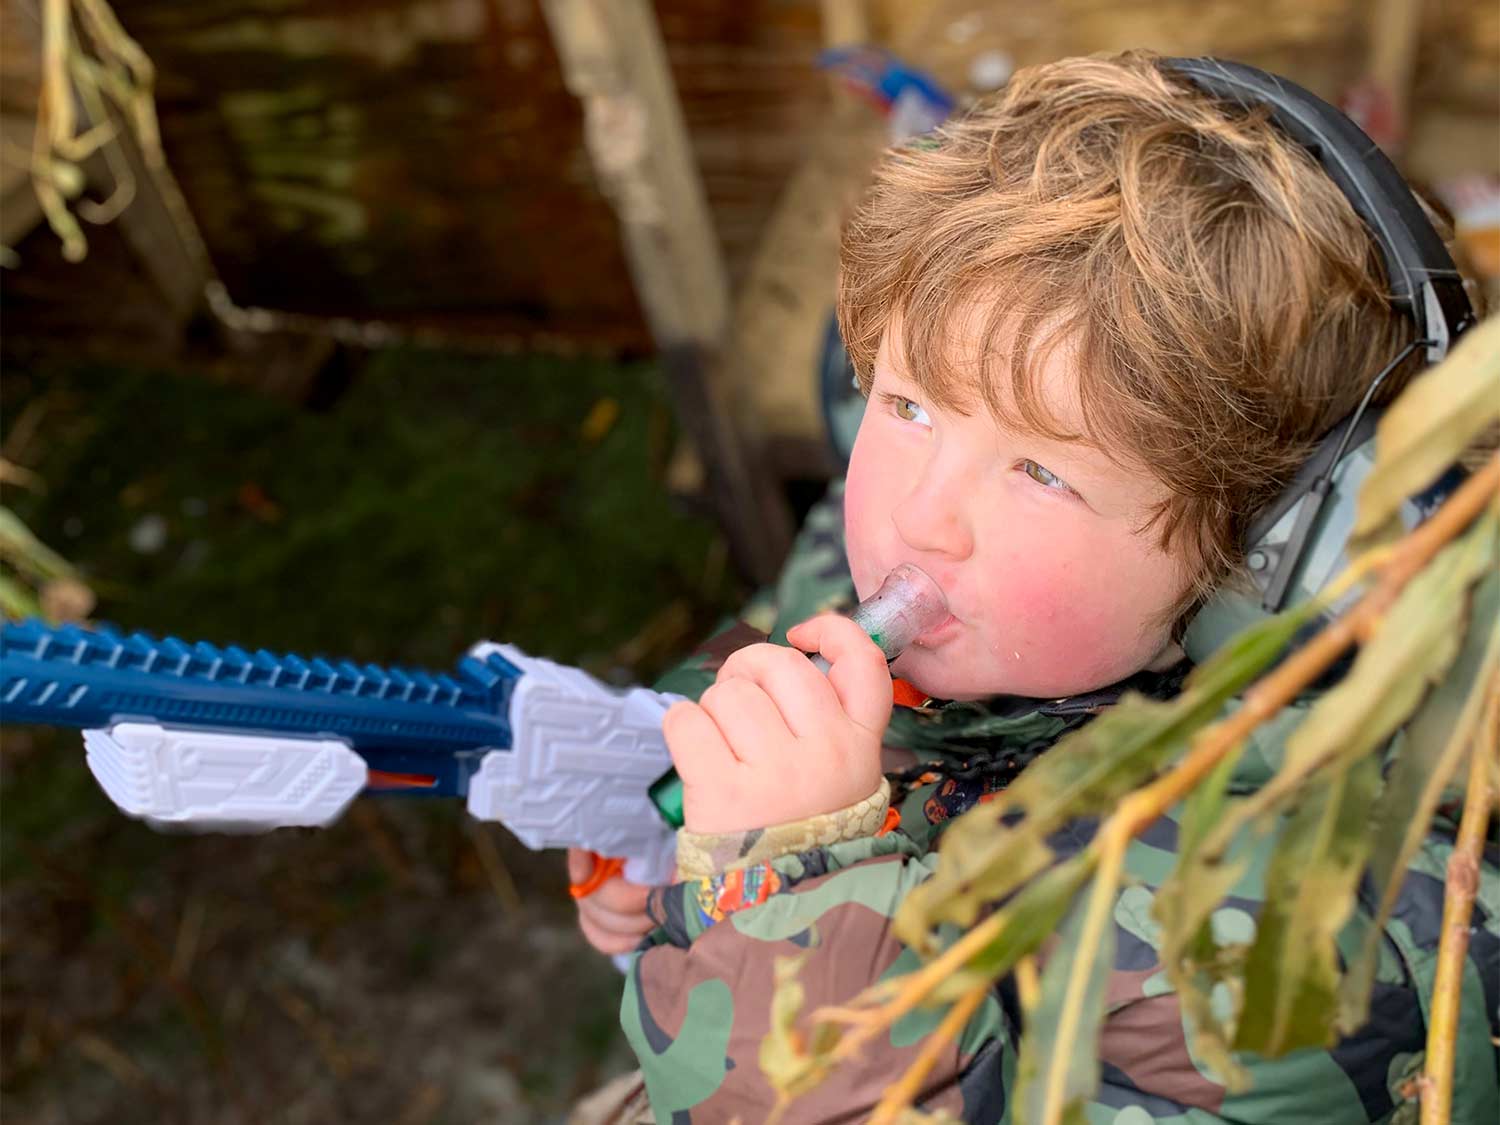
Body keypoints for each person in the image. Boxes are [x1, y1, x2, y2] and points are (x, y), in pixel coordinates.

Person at [568, 51, 1498, 1121]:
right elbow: (791, 622)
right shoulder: (940, 583)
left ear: (1265, 562)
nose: (922, 512)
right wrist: (698, 828)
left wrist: (773, 887)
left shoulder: (1303, 961)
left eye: (1042, 473)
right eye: (908, 403)